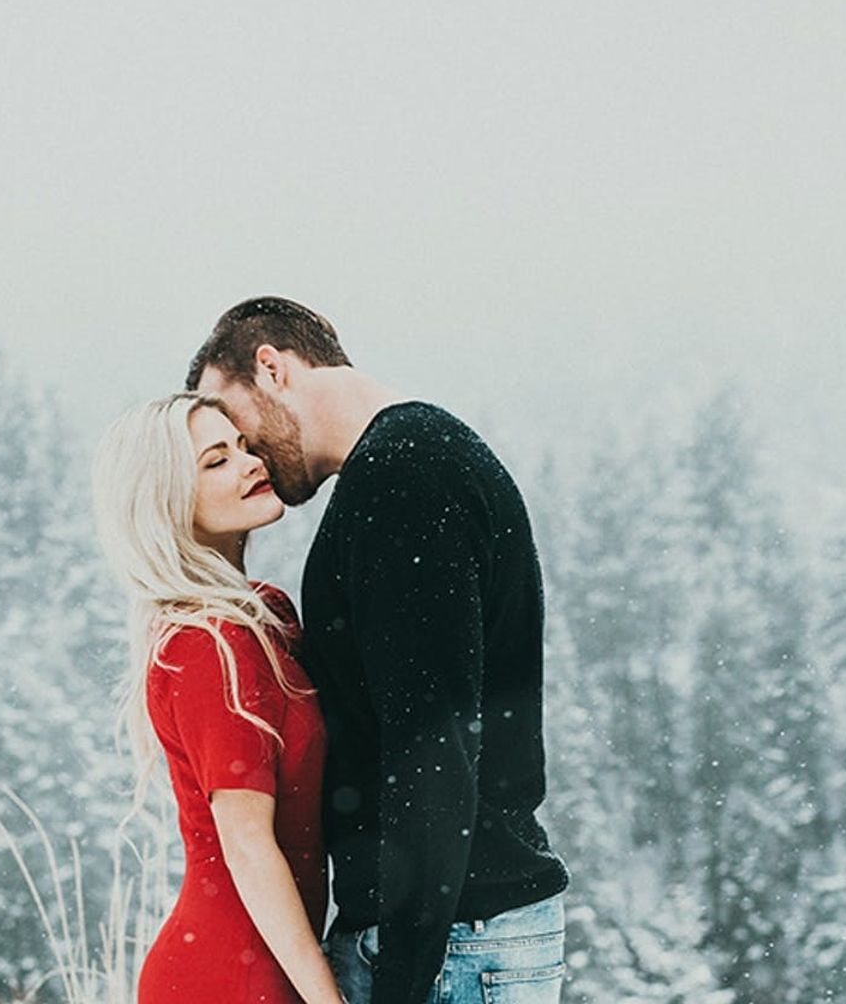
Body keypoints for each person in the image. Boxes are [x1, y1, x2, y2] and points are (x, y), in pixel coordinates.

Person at [185, 298, 571, 1004]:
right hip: (458, 935)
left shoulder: (402, 483)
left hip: (452, 945)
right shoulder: (412, 462)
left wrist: (400, 976)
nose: (246, 456)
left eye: (232, 424)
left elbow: (432, 753)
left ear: (271, 368)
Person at [92, 392, 347, 1004]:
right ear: (167, 501)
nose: (250, 462)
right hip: (229, 980)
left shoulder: (266, 616)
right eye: (215, 461)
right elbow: (248, 845)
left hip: (268, 967)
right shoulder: (208, 644)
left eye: (240, 445)